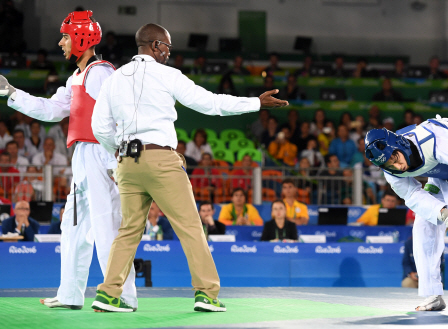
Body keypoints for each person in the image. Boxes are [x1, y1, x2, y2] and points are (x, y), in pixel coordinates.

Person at [90, 23, 286, 312]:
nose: (169, 53)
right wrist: (255, 103)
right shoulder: (168, 75)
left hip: (126, 162)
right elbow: (210, 103)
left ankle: (107, 293)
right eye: (167, 47)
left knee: (129, 229)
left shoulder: (114, 79)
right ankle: (206, 293)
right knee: (191, 227)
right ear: (155, 46)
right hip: (161, 160)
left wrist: (117, 153)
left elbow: (99, 128)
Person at [0, 10, 138, 311]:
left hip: (103, 155)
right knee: (72, 227)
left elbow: (121, 115)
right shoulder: (78, 76)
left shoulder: (100, 72)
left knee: (107, 227)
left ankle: (123, 295)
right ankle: (70, 294)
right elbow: (51, 109)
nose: (61, 42)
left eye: (65, 36)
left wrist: (120, 160)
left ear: (81, 38)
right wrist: (11, 93)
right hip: (83, 159)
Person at [364, 114, 448, 313]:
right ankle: (433, 294)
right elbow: (412, 194)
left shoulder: (434, 141)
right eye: (387, 164)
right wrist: (444, 214)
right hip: (442, 176)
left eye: (394, 158)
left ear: (399, 145)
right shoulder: (391, 171)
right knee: (422, 224)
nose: (397, 166)